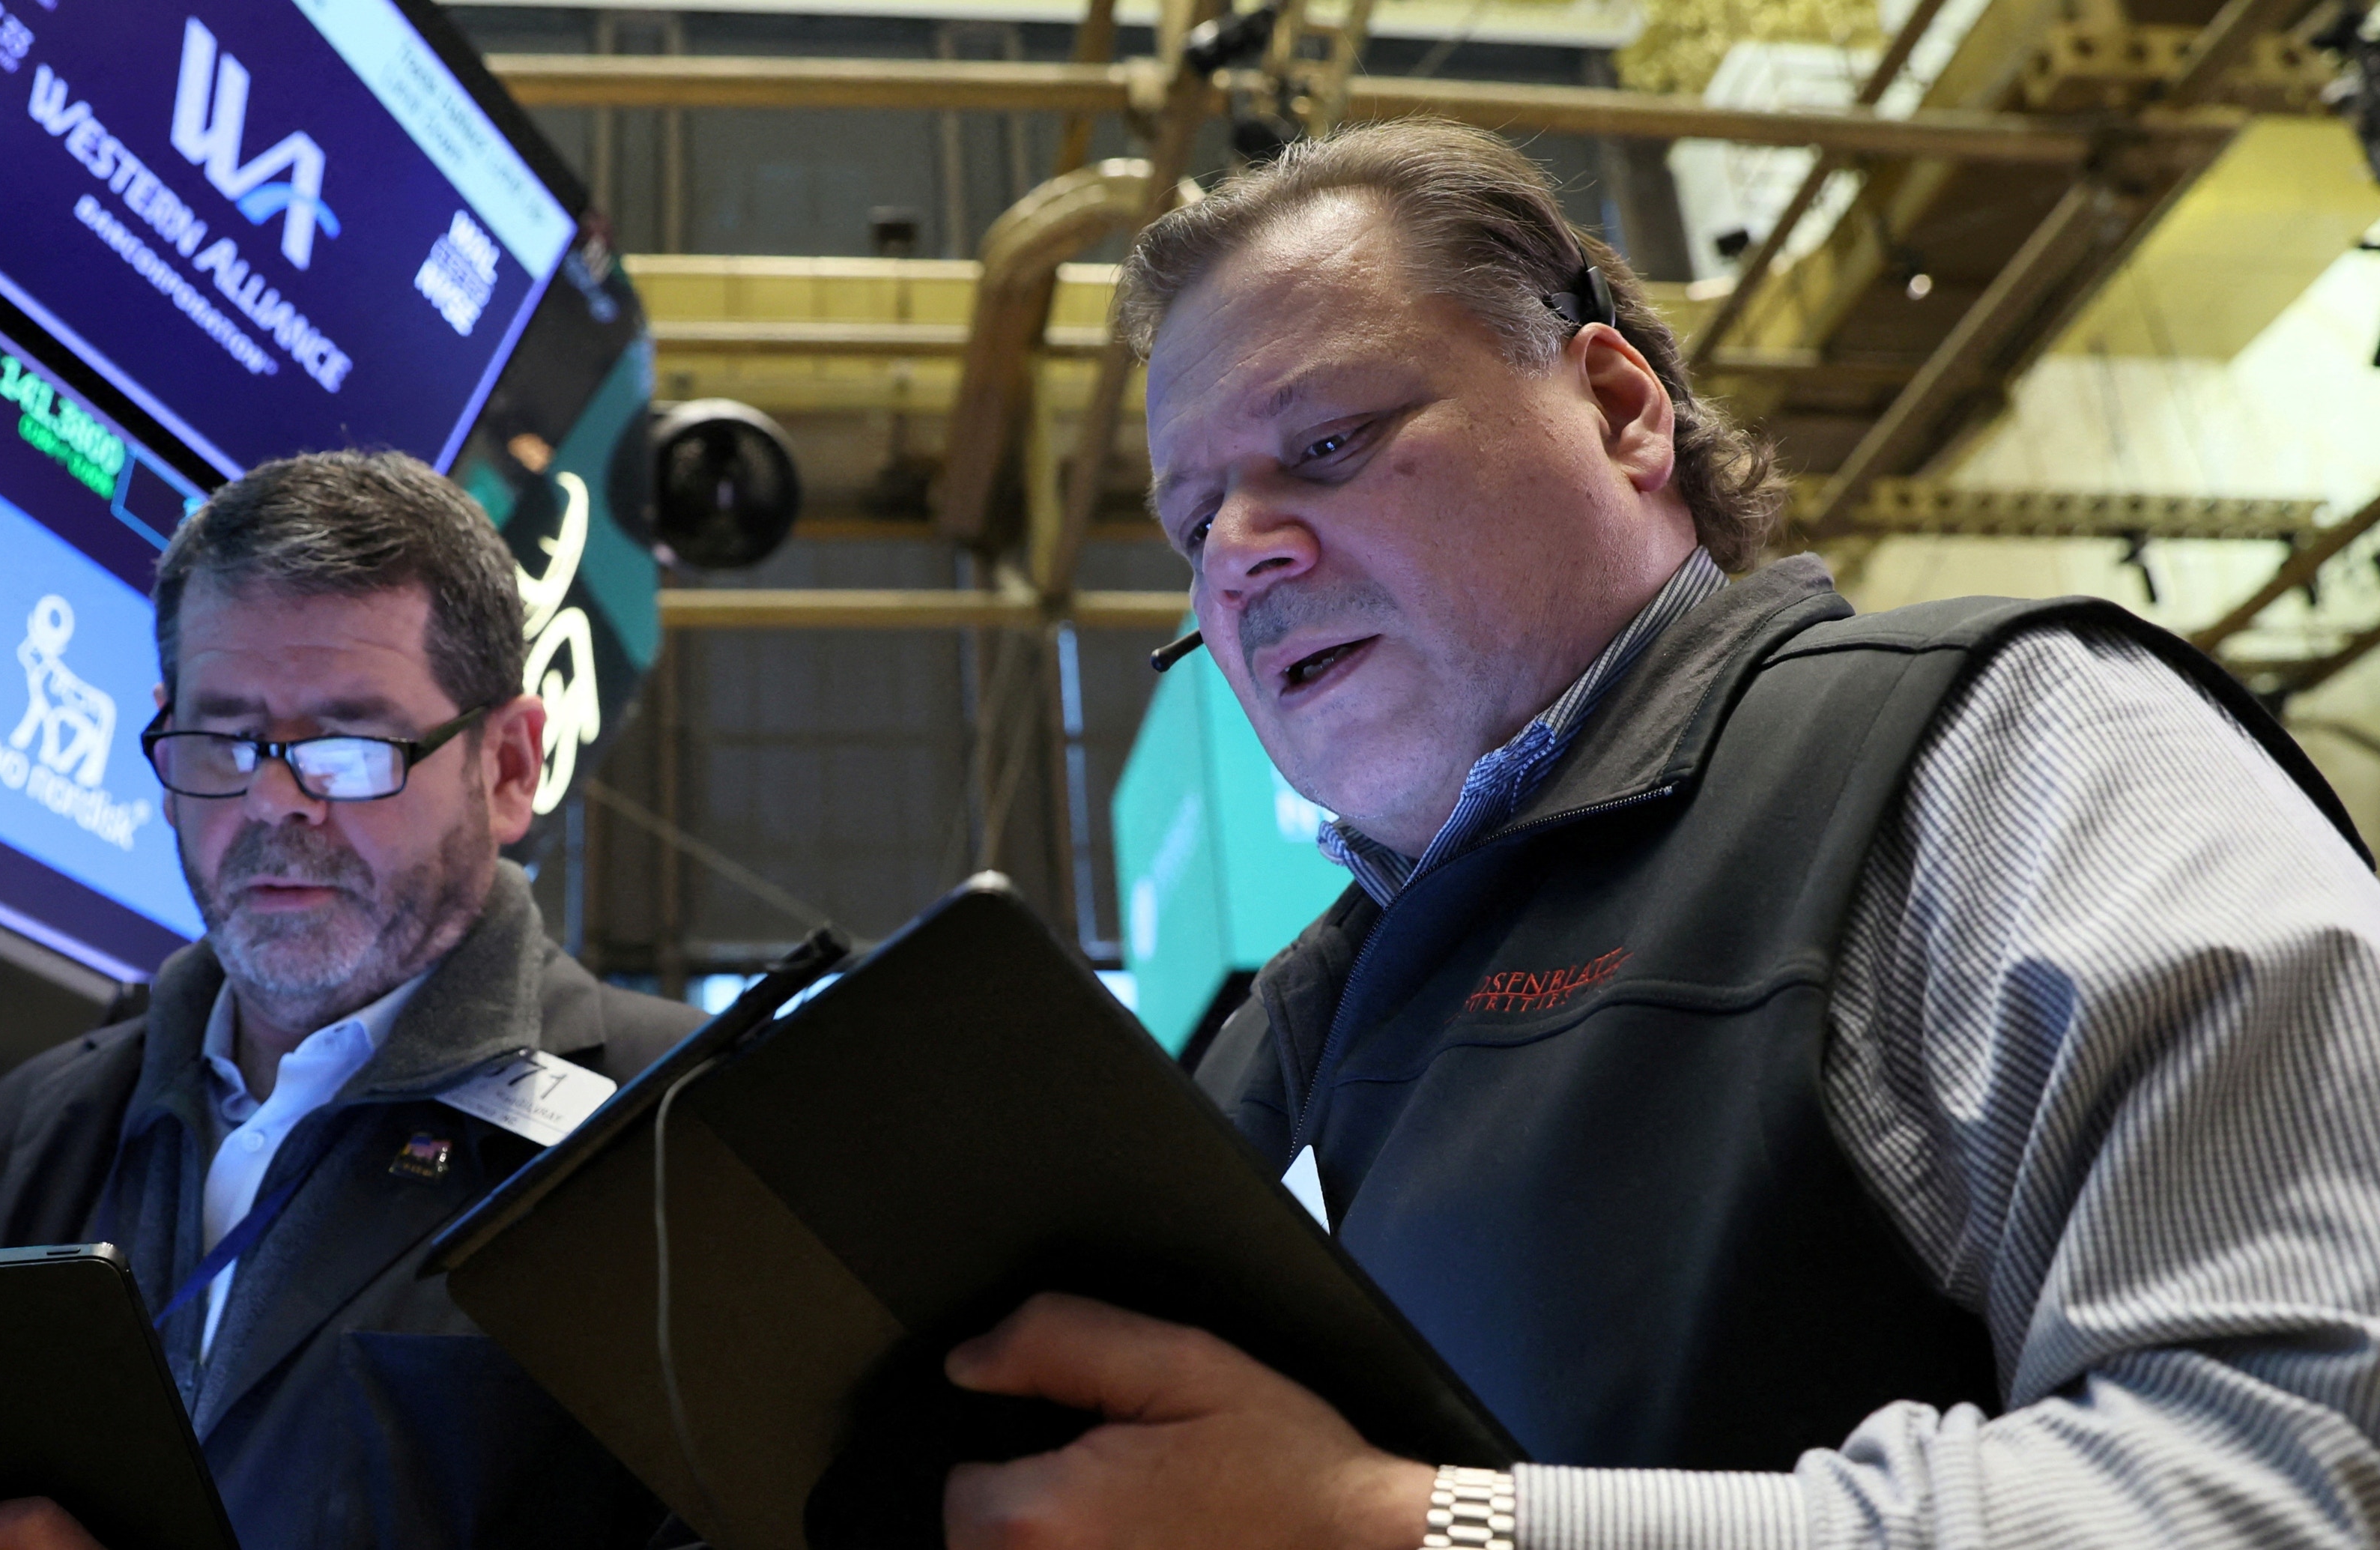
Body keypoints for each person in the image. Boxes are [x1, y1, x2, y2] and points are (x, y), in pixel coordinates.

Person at [939, 121, 2380, 1550]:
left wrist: (1414, 1530)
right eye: (1195, 525)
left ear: (1621, 408)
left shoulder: (1999, 753)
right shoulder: (1275, 1046)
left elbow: (2299, 1476)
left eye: (1329, 442)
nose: (1243, 554)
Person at [0, 451, 706, 1549]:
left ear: (507, 766)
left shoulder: (682, 1139)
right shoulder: (4, 1142)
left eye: (347, 747)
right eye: (222, 740)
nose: (272, 802)